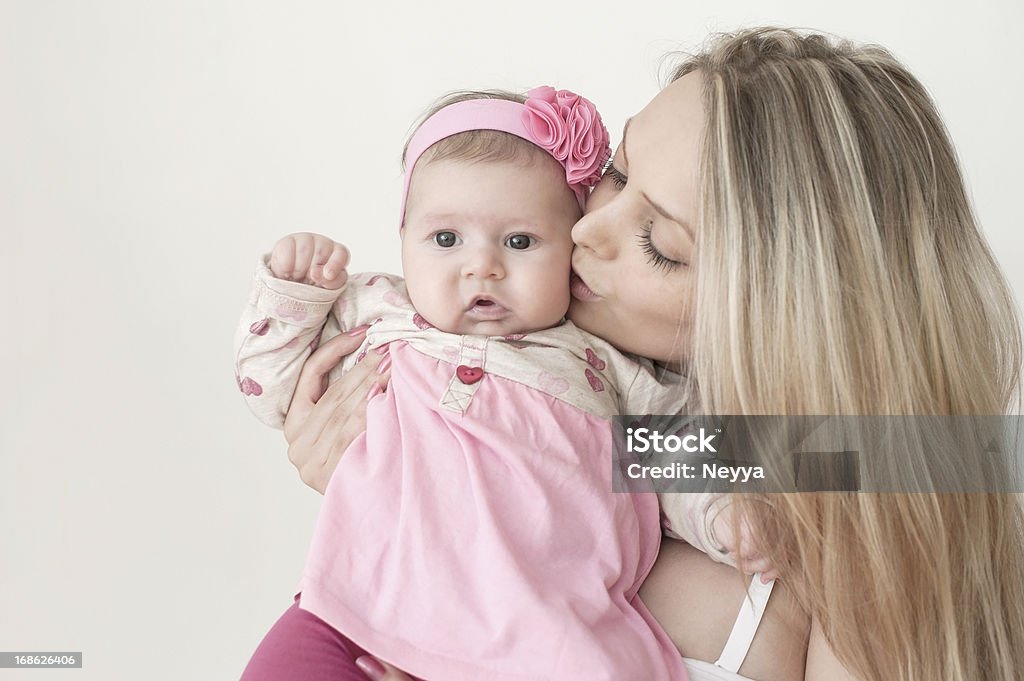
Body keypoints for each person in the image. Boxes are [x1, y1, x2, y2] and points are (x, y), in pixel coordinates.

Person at [279, 27, 1024, 681]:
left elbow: (930, 456)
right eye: (619, 173)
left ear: (783, 311)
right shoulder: (577, 390)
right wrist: (386, 467)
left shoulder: (858, 492)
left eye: (661, 246)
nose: (583, 230)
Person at [234, 87, 758, 681]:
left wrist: (725, 514)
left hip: (534, 641)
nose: (481, 267)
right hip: (353, 609)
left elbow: (684, 453)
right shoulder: (382, 311)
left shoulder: (597, 367)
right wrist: (293, 293)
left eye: (520, 241)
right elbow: (267, 383)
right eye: (616, 175)